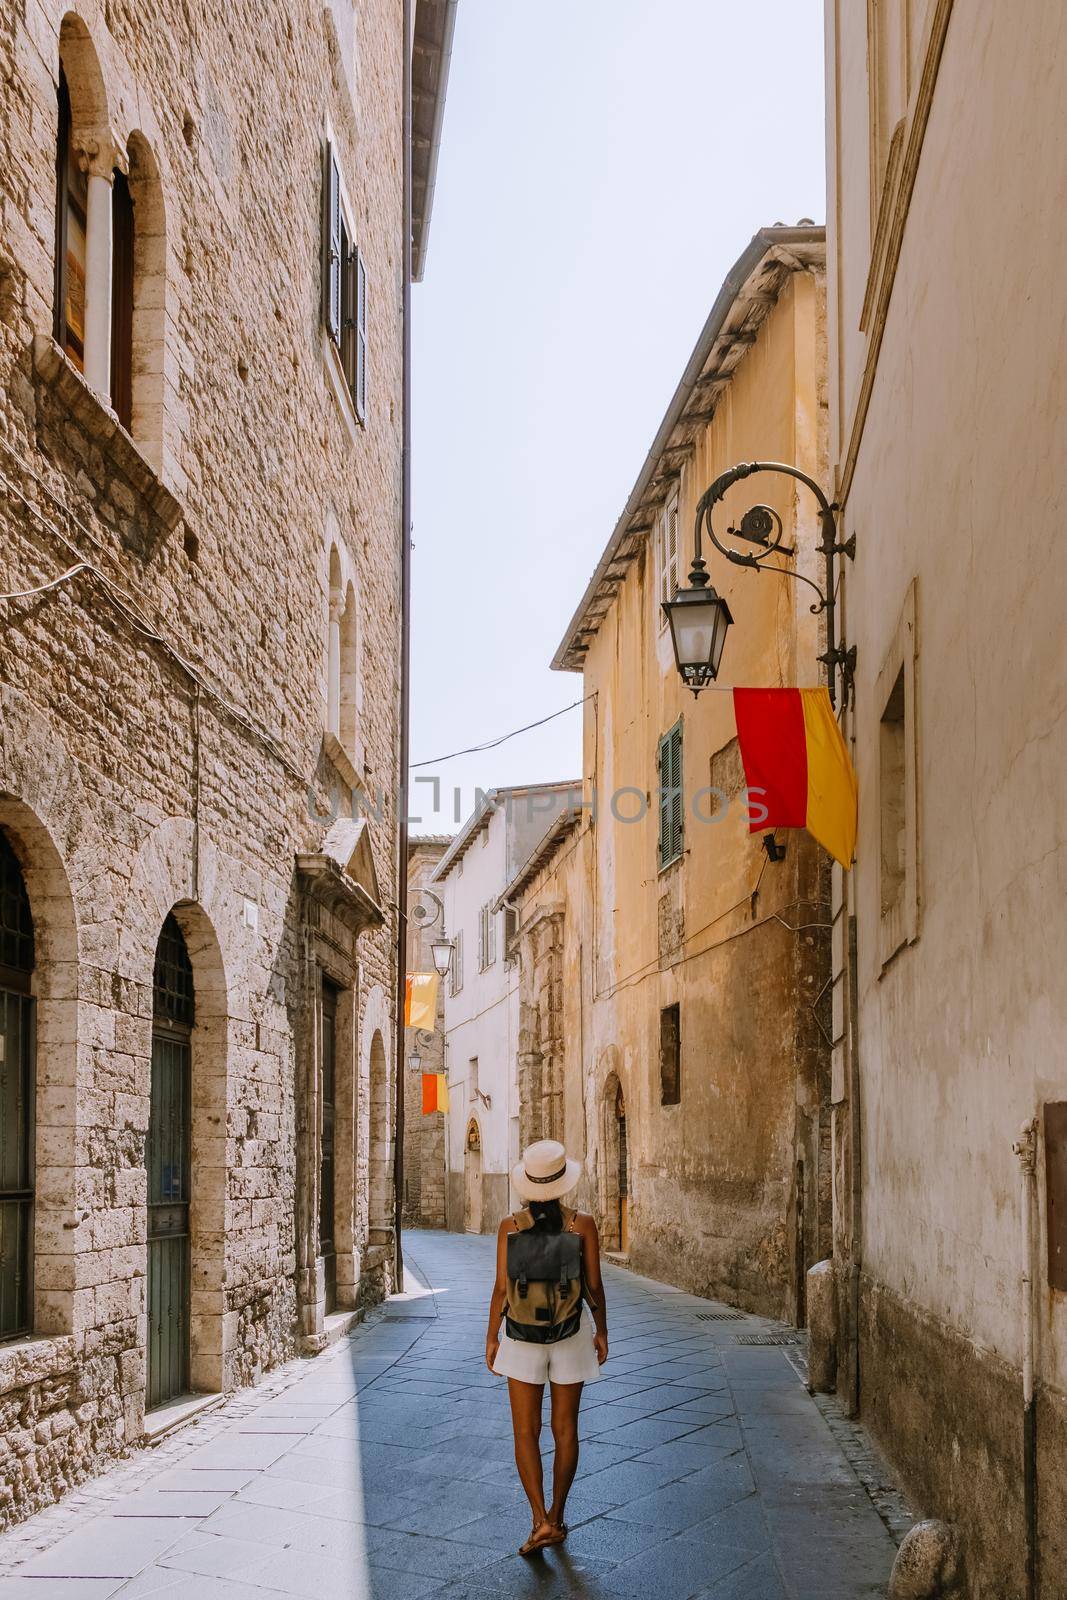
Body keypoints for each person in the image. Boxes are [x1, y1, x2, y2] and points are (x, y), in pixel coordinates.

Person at [485, 1139, 609, 1556]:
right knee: (566, 1429)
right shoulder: (583, 1225)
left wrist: (491, 1337)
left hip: (521, 1337)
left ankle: (538, 1520)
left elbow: (502, 1289)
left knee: (525, 1431)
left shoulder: (510, 1227)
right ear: (562, 1184)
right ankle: (557, 1517)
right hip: (572, 1334)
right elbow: (594, 1287)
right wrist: (602, 1332)